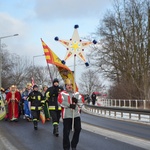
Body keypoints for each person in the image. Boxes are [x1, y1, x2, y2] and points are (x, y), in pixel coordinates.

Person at [58, 78, 84, 150]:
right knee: (66, 132)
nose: (69, 86)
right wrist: (69, 105)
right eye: (68, 85)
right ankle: (66, 147)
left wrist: (76, 102)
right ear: (65, 86)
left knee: (78, 129)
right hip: (67, 115)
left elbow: (81, 102)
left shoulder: (76, 93)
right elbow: (60, 102)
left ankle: (74, 145)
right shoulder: (62, 93)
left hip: (76, 115)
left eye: (70, 85)